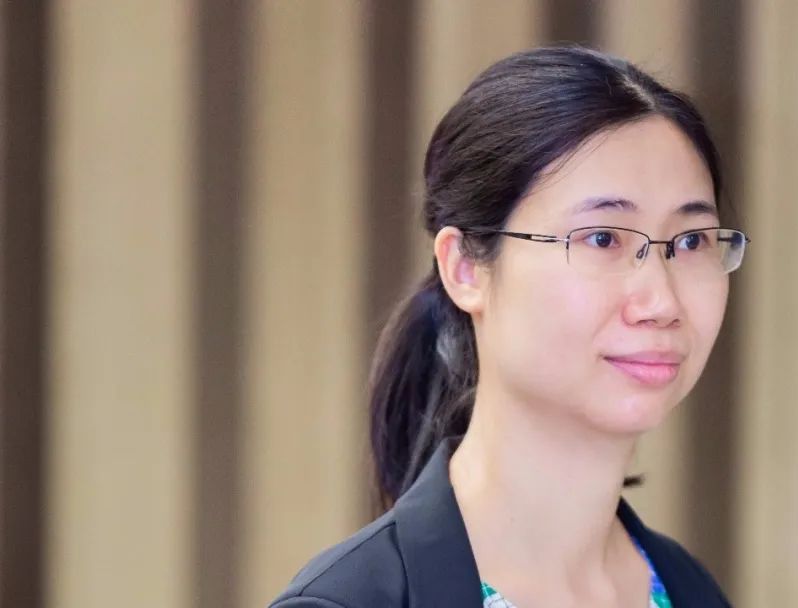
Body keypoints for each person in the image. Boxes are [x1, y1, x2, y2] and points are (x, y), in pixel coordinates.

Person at [270, 45, 745, 608]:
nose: (661, 301)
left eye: (690, 242)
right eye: (602, 239)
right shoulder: (349, 601)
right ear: (465, 268)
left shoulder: (691, 591)